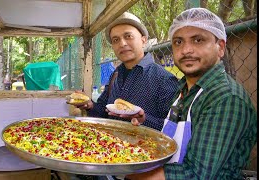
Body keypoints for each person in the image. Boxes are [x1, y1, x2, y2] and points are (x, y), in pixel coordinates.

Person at [127, 8, 257, 179]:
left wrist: (125, 170)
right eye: (178, 42)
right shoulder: (184, 91)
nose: (186, 50)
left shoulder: (225, 98)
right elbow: (173, 139)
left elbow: (196, 175)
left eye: (198, 40)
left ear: (220, 47)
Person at [76, 12, 179, 131]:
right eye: (116, 40)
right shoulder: (115, 75)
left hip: (143, 148)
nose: (122, 44)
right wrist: (89, 105)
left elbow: (173, 129)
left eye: (128, 36)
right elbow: (104, 113)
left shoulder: (164, 79)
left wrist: (143, 119)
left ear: (143, 40)